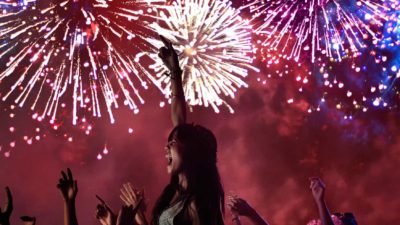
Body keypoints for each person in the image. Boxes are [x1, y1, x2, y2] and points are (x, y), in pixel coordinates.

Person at [122, 35, 225, 225]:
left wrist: (134, 216)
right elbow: (178, 119)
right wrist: (175, 72)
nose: (166, 147)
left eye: (173, 143)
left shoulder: (198, 203)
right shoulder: (179, 194)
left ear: (192, 151)